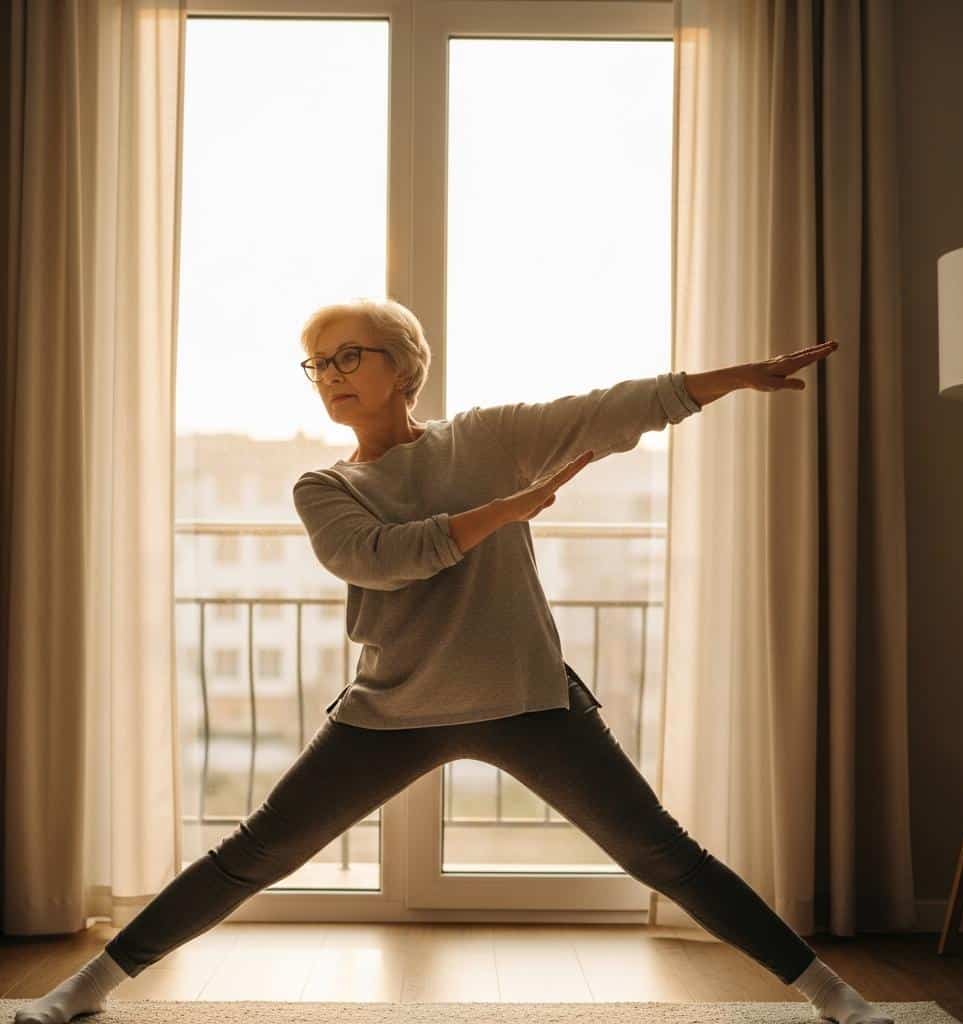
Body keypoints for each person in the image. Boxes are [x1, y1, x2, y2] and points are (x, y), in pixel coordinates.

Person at [14, 300, 886, 1024]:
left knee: (664, 855)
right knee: (253, 856)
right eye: (315, 364)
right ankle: (81, 990)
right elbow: (380, 558)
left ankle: (836, 998)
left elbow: (612, 409)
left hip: (526, 698)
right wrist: (502, 514)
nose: (329, 374)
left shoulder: (486, 439)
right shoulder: (325, 488)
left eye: (348, 355)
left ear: (406, 366)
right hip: (392, 709)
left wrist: (731, 379)